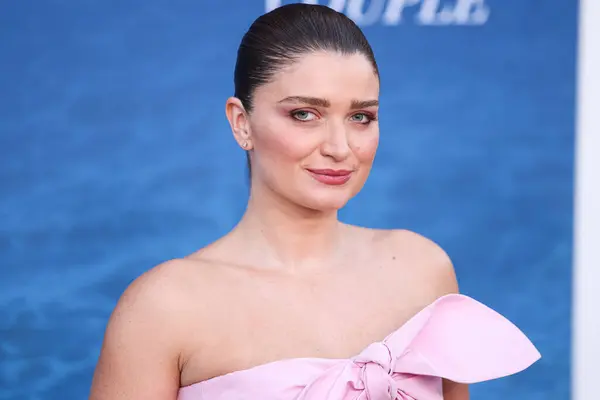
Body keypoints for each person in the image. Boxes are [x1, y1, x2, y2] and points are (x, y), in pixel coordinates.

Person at [89, 4, 540, 400]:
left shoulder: (425, 270)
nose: (340, 147)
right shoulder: (164, 307)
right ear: (241, 122)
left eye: (361, 117)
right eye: (305, 114)